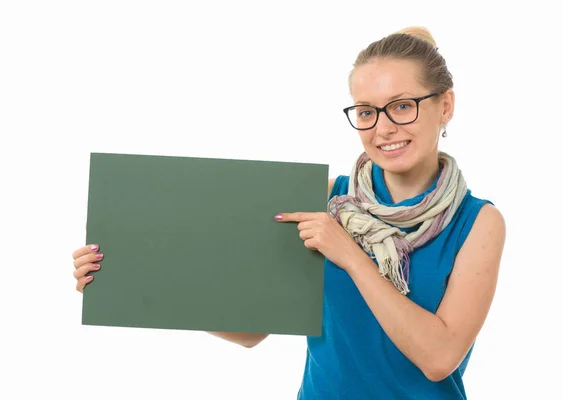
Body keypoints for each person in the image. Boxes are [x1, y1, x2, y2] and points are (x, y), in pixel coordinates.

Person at [72, 26, 506, 399]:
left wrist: (351, 256)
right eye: (367, 112)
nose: (383, 128)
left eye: (402, 105)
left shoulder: (479, 223)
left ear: (445, 105)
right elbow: (251, 331)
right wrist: (128, 280)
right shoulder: (325, 200)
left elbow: (438, 358)